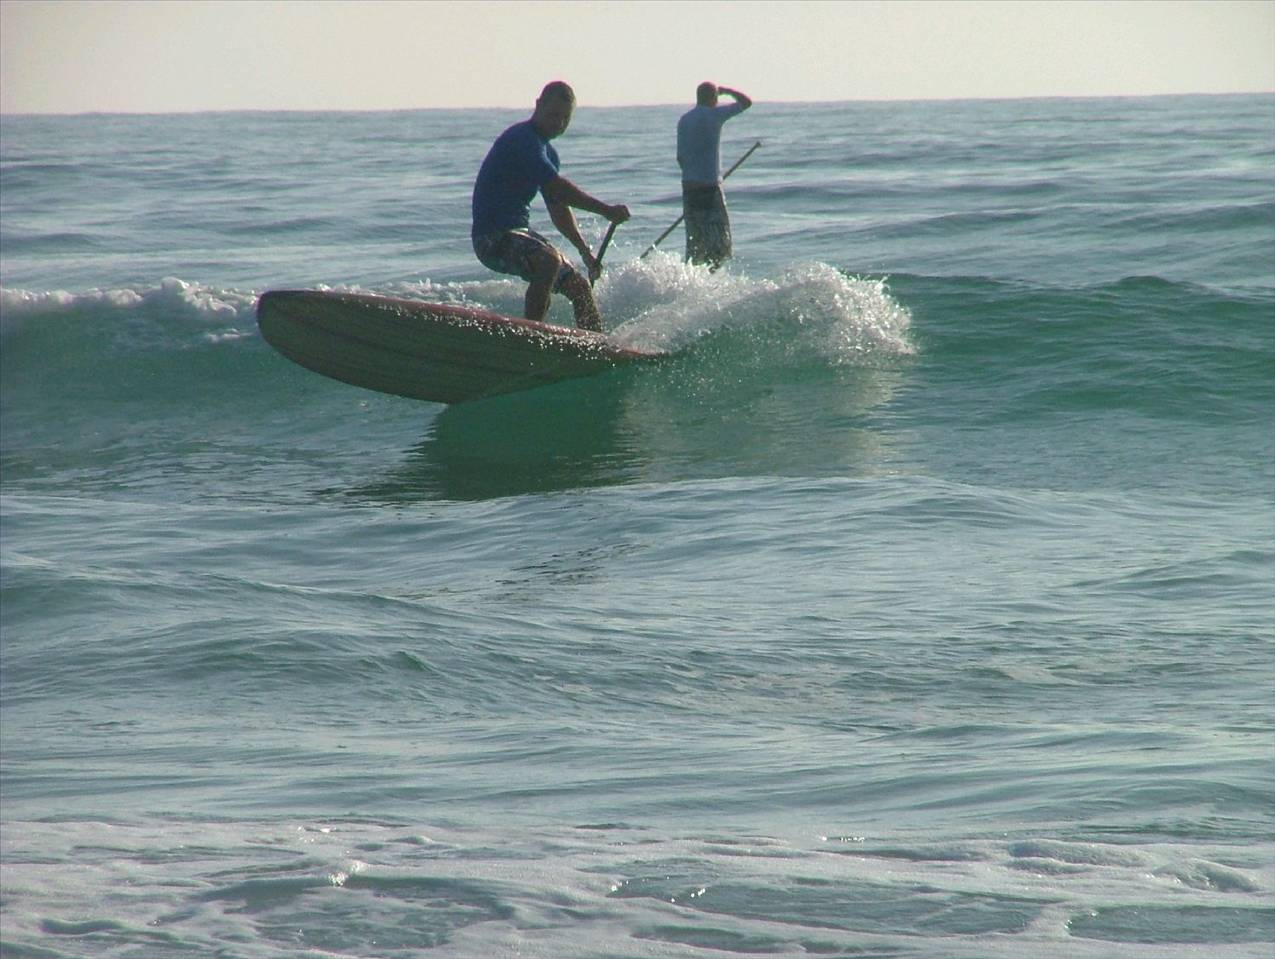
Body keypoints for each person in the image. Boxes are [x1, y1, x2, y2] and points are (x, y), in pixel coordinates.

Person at [471, 81, 630, 332]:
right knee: (548, 262)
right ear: (538, 106)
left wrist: (584, 252)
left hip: (518, 235)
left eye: (565, 118)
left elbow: (558, 207)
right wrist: (606, 211)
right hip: (492, 238)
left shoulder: (549, 153)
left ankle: (595, 346)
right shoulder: (522, 139)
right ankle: (531, 336)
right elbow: (559, 188)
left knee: (580, 287)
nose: (559, 123)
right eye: (553, 115)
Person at [677, 82, 752, 269]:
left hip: (689, 187)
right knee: (721, 244)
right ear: (714, 98)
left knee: (695, 244)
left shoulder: (684, 120)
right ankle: (712, 279)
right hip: (709, 187)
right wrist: (728, 91)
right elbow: (746, 102)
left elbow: (680, 158)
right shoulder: (715, 114)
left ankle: (692, 280)